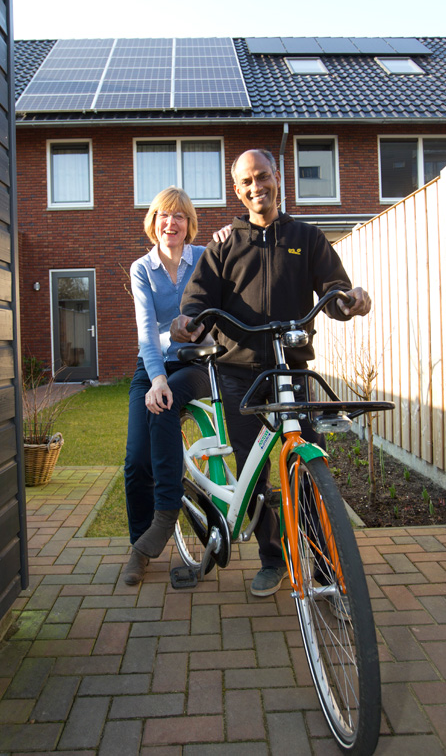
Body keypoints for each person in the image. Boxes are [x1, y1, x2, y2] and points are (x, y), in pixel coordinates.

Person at [170, 149, 371, 597]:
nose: (255, 186)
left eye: (262, 176)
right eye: (246, 181)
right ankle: (272, 559)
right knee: (253, 476)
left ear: (277, 178)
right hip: (238, 374)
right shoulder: (224, 244)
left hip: (291, 370)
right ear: (237, 190)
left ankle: (326, 572)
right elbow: (198, 299)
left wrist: (349, 301)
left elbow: (335, 290)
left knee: (310, 469)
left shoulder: (306, 237)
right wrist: (189, 321)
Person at [123, 187, 215, 585]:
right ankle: (140, 547)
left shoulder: (205, 259)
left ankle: (164, 517)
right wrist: (156, 377)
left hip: (195, 363)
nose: (171, 222)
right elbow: (146, 332)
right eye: (164, 215)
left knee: (166, 404)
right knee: (136, 461)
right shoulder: (142, 269)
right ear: (153, 222)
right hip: (153, 364)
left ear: (189, 223)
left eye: (179, 216)